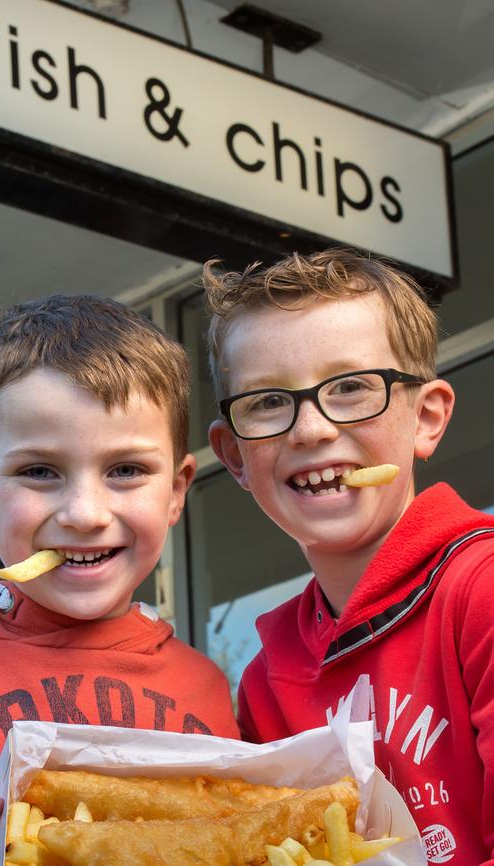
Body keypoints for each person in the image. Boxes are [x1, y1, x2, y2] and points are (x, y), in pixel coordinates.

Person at [0, 293, 239, 866]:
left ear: (177, 490)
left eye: (126, 470)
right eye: (39, 472)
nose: (84, 512)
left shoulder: (204, 686)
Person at [204, 247, 494, 863]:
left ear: (427, 418)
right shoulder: (262, 685)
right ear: (234, 457)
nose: (309, 429)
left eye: (353, 387)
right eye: (267, 402)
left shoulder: (482, 591)